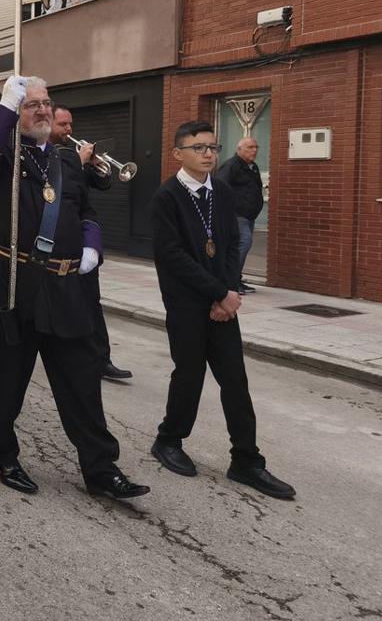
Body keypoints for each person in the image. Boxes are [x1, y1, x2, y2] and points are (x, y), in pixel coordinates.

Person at [0, 76, 149, 500]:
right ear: (16, 112)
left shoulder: (67, 161)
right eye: (31, 104)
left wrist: (92, 247)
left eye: (46, 103)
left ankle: (100, 468)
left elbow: (86, 212)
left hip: (66, 288)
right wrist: (6, 106)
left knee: (81, 384)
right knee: (7, 382)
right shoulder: (0, 157)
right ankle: (0, 454)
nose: (42, 110)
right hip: (16, 288)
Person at [149, 121, 294, 500]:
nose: (209, 153)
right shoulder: (166, 197)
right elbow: (173, 257)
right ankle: (168, 440)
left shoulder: (223, 193)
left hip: (222, 303)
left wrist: (228, 292)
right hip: (186, 305)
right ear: (178, 153)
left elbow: (231, 246)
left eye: (213, 146)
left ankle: (246, 460)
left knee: (235, 381)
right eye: (199, 148)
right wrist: (218, 292)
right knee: (189, 375)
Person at [50, 105, 133, 382]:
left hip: (81, 236)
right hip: (55, 241)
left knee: (91, 302)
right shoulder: (47, 155)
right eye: (62, 125)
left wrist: (100, 168)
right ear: (48, 125)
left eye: (70, 124)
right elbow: (58, 189)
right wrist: (80, 162)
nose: (69, 130)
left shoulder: (74, 155)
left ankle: (101, 359)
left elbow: (100, 186)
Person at [216, 137, 264, 295]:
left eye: (256, 147)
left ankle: (236, 279)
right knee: (244, 242)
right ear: (239, 149)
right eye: (250, 147)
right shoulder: (231, 166)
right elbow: (219, 188)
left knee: (240, 246)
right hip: (237, 215)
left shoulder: (253, 167)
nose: (254, 150)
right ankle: (230, 281)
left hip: (249, 215)